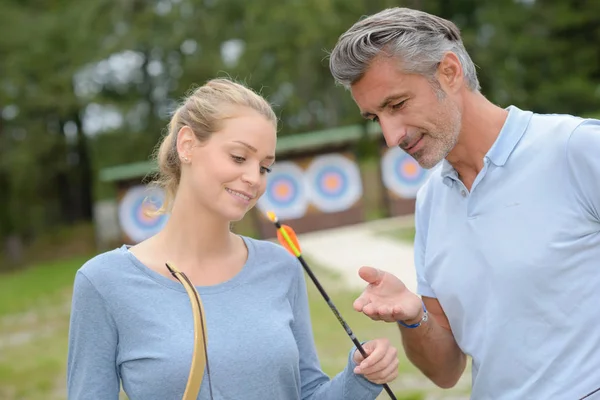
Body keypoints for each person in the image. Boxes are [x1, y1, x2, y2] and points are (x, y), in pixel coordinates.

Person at [66, 78, 400, 399]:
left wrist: (362, 377)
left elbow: (307, 394)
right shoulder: (104, 283)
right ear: (187, 145)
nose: (254, 178)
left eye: (265, 167)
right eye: (239, 157)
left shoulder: (280, 267)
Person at [328, 7, 600, 400]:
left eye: (397, 104)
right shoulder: (430, 201)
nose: (390, 136)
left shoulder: (576, 148)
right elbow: (444, 371)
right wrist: (413, 316)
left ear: (450, 72)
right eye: (375, 118)